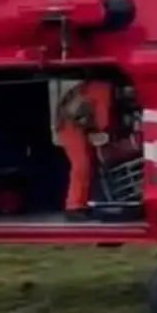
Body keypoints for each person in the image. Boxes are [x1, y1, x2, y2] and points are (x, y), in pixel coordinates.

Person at [55, 76, 114, 219]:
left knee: (85, 165)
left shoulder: (92, 86)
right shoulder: (102, 87)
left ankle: (81, 204)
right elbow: (102, 118)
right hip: (73, 128)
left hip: (73, 126)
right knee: (82, 165)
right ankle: (74, 206)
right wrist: (103, 132)